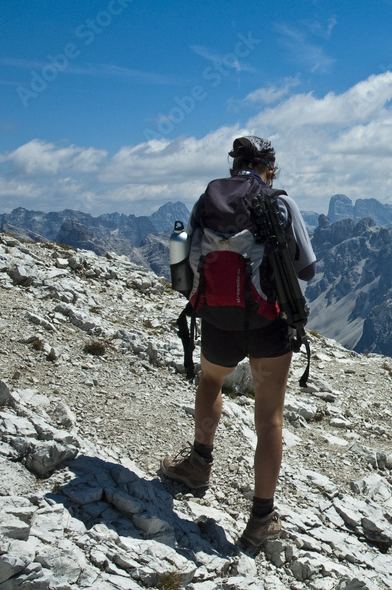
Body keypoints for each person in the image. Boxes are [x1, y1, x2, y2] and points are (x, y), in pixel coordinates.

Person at [160, 135, 316, 552]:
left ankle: (198, 465)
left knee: (210, 382)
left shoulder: (207, 200)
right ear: (270, 168)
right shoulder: (280, 203)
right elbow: (308, 270)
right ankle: (261, 519)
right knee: (269, 420)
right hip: (268, 324)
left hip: (217, 318)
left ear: (234, 166)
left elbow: (185, 260)